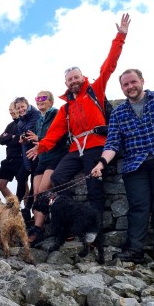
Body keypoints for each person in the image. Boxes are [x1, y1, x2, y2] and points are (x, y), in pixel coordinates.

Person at [27, 13, 131, 217]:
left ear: (82, 77)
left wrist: (120, 37)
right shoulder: (66, 108)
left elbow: (108, 66)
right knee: (58, 177)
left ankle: (95, 230)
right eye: (69, 79)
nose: (73, 81)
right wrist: (42, 146)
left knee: (94, 186)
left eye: (76, 77)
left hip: (96, 144)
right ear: (66, 83)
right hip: (76, 148)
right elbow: (55, 132)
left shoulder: (95, 91)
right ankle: (69, 216)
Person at [91, 69, 154, 264]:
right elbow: (112, 143)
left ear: (142, 81)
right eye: (125, 85)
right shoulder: (119, 112)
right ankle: (134, 249)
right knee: (138, 207)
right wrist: (101, 164)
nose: (130, 87)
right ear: (122, 88)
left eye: (133, 82)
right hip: (134, 166)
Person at [25, 91, 68, 245]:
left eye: (43, 98)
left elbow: (61, 137)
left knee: (43, 191)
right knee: (35, 194)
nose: (39, 100)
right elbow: (37, 142)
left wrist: (40, 139)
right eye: (37, 98)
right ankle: (39, 228)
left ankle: (37, 229)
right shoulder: (39, 121)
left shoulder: (57, 114)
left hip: (55, 156)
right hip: (42, 160)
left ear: (51, 101)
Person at [14, 96, 40, 222]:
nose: (21, 109)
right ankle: (16, 205)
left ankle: (28, 208)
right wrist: (26, 163)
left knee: (34, 182)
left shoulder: (35, 113)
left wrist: (23, 137)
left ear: (27, 105)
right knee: (21, 176)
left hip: (39, 151)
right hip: (28, 153)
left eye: (22, 107)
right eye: (18, 108)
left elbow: (29, 131)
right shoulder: (19, 122)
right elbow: (23, 142)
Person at [0, 102, 23, 197]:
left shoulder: (24, 123)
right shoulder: (10, 125)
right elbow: (0, 140)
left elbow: (20, 140)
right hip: (9, 158)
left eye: (12, 109)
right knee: (0, 184)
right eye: (9, 109)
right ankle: (14, 205)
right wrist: (13, 137)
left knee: (23, 185)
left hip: (21, 159)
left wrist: (8, 137)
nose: (10, 112)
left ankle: (25, 211)